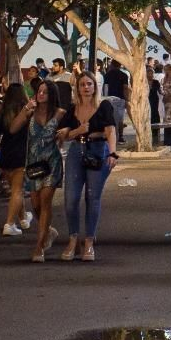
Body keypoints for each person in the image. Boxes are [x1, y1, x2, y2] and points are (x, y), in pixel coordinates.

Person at [57, 71, 117, 263]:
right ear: (78, 88)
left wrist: (113, 153)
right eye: (82, 84)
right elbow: (64, 135)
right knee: (71, 198)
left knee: (93, 197)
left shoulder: (104, 106)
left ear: (95, 86)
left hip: (98, 150)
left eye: (89, 84)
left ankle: (89, 241)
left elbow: (110, 130)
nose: (86, 87)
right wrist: (78, 130)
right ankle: (73, 239)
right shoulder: (72, 108)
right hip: (76, 150)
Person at [12, 80, 63, 261]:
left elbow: (69, 130)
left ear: (52, 95)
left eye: (45, 92)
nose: (41, 94)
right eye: (39, 91)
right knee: (36, 204)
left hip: (52, 162)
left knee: (46, 200)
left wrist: (66, 133)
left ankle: (39, 247)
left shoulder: (59, 113)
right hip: (33, 163)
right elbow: (13, 128)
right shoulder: (30, 112)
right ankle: (48, 231)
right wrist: (26, 108)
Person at [0, 82, 31, 237]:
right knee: (17, 190)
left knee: (15, 189)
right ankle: (9, 223)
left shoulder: (1, 114)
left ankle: (23, 218)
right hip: (22, 153)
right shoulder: (27, 113)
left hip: (6, 154)